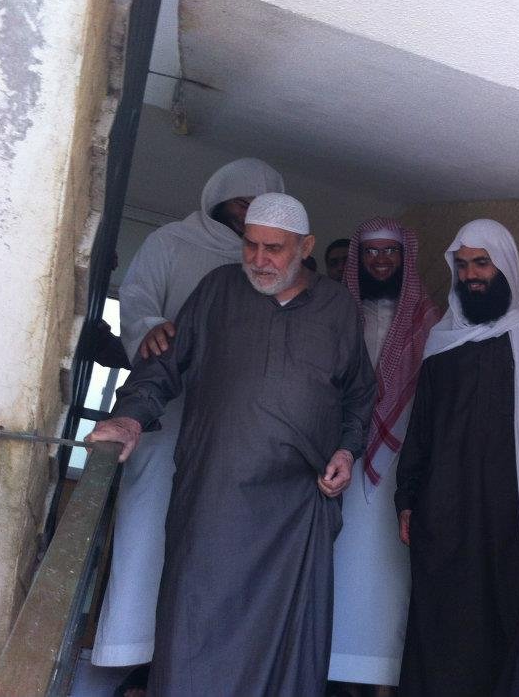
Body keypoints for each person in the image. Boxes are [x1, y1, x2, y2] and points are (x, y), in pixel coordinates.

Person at [87, 193, 376, 696]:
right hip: (213, 495)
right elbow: (164, 366)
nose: (258, 260)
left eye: (273, 248)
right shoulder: (218, 290)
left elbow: (359, 394)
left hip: (296, 508)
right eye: (250, 245)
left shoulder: (337, 308)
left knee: (284, 639)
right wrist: (129, 419)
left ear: (305, 247)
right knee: (194, 619)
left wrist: (347, 452)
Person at [91, 158, 284, 679]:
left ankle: (193, 660)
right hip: (162, 415)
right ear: (217, 199)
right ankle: (130, 654)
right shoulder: (171, 242)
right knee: (146, 526)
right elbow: (136, 299)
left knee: (213, 538)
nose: (247, 214)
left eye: (258, 207)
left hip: (229, 423)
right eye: (240, 203)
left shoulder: (266, 265)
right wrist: (152, 327)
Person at [395, 218, 519, 697]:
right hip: (444, 515)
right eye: (462, 266)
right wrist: (406, 498)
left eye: (481, 263)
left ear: (506, 267)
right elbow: (421, 428)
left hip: (511, 515)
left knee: (505, 623)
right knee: (440, 627)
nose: (471, 276)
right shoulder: (443, 342)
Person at [329, 219, 440, 693]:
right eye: (371, 252)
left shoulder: (428, 317)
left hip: (401, 457)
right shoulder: (334, 310)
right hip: (340, 452)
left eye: (389, 252)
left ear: (405, 258)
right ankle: (336, 676)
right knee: (338, 567)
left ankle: (382, 681)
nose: (380, 261)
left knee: (389, 576)